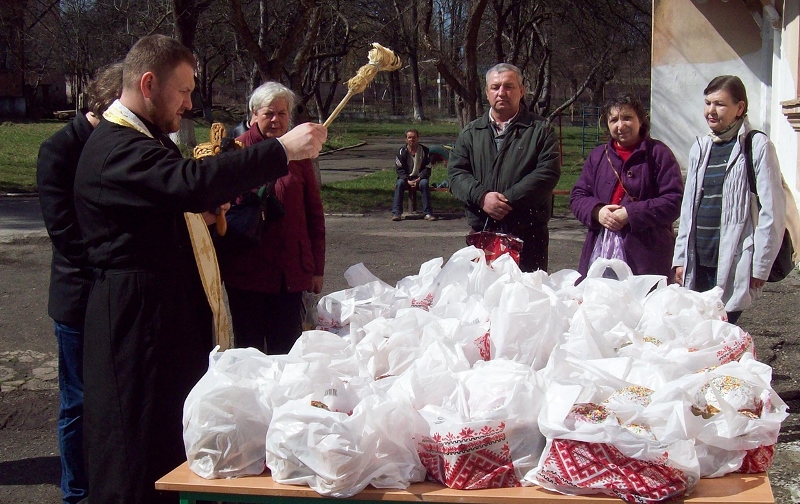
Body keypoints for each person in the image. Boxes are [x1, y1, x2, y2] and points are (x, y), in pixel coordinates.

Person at [73, 34, 326, 504]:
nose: (190, 103)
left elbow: (166, 203)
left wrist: (201, 216)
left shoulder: (143, 139)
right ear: (149, 84)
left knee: (168, 444)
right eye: (184, 90)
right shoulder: (117, 146)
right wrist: (280, 150)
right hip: (135, 327)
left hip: (159, 320)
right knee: (137, 454)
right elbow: (188, 182)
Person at [36, 62, 122, 504]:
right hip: (78, 297)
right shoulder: (59, 149)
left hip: (113, 294)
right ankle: (76, 491)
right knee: (78, 402)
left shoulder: (120, 144)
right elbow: (65, 233)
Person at [217, 82, 326, 354]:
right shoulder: (236, 150)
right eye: (269, 113)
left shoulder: (299, 152)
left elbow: (313, 212)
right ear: (254, 114)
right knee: (249, 351)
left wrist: (317, 268)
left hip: (289, 273)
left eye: (282, 113)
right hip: (246, 272)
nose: (276, 120)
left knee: (287, 351)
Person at [673, 75, 786, 324]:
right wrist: (680, 258)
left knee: (722, 328)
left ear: (740, 108)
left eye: (720, 104)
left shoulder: (757, 146)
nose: (710, 111)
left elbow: (773, 211)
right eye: (707, 103)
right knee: (697, 330)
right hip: (698, 259)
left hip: (734, 259)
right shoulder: (700, 147)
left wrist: (761, 265)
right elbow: (688, 209)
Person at [448, 63, 561, 272]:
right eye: (495, 87)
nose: (501, 92)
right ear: (487, 92)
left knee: (526, 292)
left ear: (521, 90)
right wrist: (482, 197)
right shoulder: (471, 132)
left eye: (509, 86)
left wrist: (506, 201)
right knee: (483, 291)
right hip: (483, 233)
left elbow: (547, 173)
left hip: (528, 236)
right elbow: (456, 174)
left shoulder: (540, 130)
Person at [570, 94, 684, 280]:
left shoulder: (659, 154)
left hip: (647, 257)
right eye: (613, 120)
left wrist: (631, 214)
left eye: (627, 118)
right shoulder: (598, 156)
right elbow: (578, 196)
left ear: (641, 120)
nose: (620, 125)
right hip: (600, 252)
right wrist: (597, 211)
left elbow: (673, 200)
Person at [392, 129, 435, 221]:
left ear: (418, 138)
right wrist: (407, 180)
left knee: (424, 184)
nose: (412, 139)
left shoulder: (425, 151)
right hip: (406, 178)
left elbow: (428, 168)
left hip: (420, 178)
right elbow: (399, 169)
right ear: (406, 139)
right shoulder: (401, 151)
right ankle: (396, 213)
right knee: (399, 184)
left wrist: (419, 178)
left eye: (414, 137)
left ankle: (428, 213)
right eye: (409, 137)